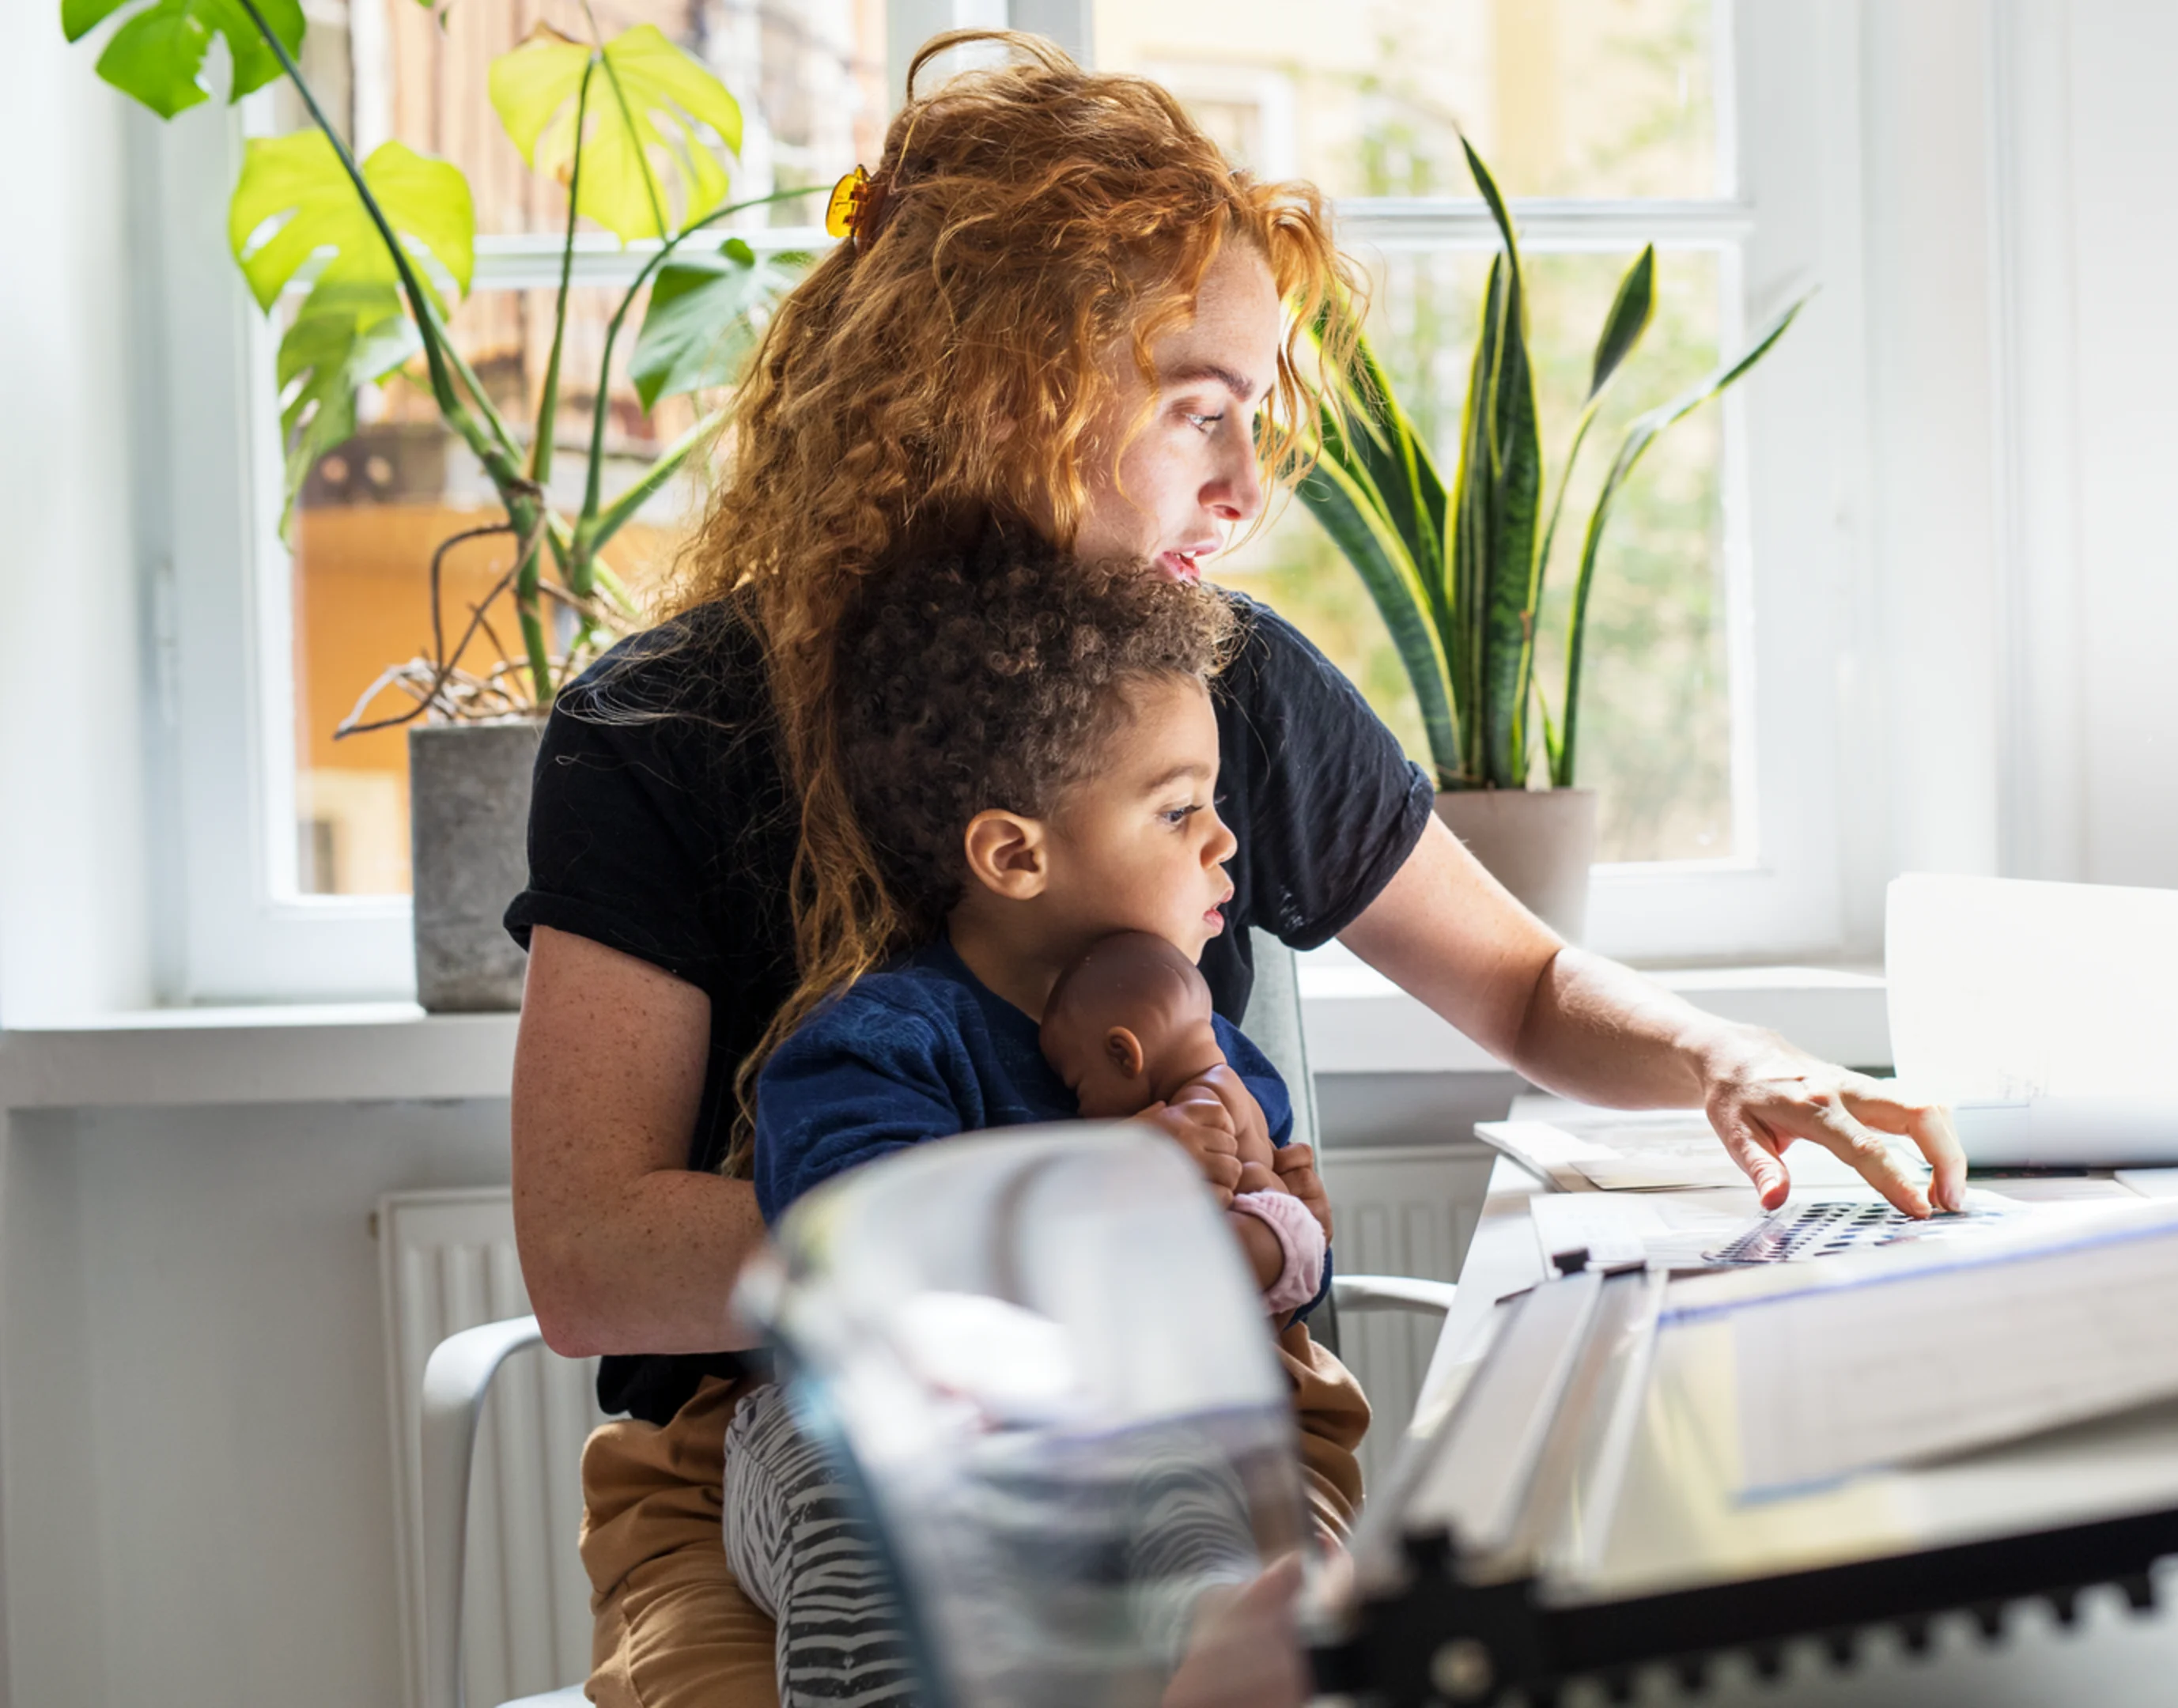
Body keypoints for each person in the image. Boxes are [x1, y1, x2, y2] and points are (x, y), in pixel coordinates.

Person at [507, 30, 1966, 1708]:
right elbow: (591, 1252)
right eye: (1198, 409)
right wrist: (1057, 1233)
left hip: (1188, 1420)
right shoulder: (666, 726)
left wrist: (1740, 1061)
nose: (1248, 483)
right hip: (767, 1452)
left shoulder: (1235, 685)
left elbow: (1528, 982)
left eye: (1255, 413)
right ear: (998, 385)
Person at [723, 550, 1339, 1707]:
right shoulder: (882, 1042)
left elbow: (1269, 1274)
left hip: (1111, 1426)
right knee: (853, 1501)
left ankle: (1220, 1657)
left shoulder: (1205, 1048)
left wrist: (1278, 1226)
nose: (1225, 844)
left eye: (1215, 804)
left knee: (1194, 1505)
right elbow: (853, 1264)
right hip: (869, 1437)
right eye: (1177, 808)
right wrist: (1115, 1184)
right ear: (1015, 854)